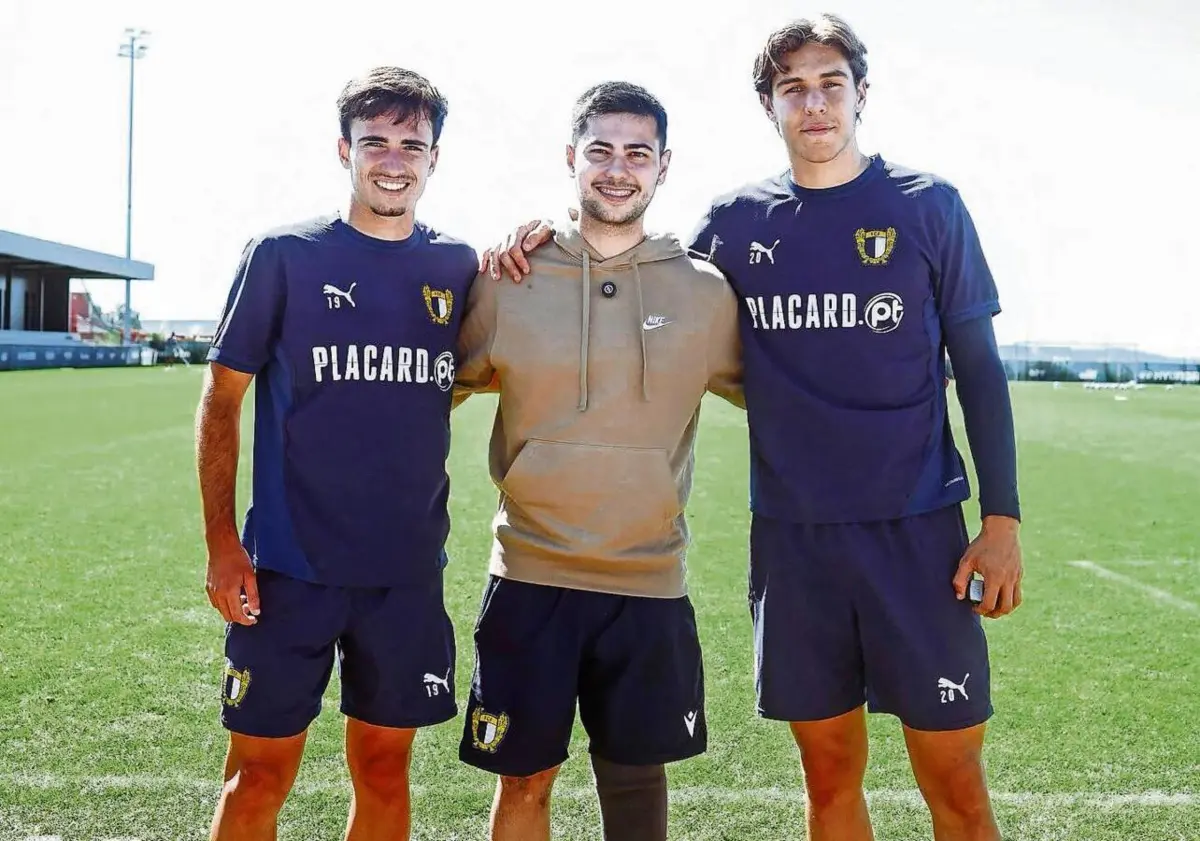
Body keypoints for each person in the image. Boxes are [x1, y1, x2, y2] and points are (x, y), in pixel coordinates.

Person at [481, 14, 1023, 841]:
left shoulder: (930, 206)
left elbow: (980, 371)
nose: (814, 105)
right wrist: (536, 236)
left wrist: (1003, 518)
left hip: (918, 532)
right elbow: (635, 267)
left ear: (861, 95)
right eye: (792, 89)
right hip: (794, 543)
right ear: (768, 105)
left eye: (830, 85)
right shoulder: (736, 224)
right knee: (829, 779)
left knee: (956, 781)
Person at [454, 81, 743, 841]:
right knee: (524, 778)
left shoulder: (709, 294)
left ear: (664, 166)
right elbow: (426, 391)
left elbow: (792, 396)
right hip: (530, 574)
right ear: (571, 159)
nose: (619, 169)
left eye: (638, 154)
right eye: (602, 151)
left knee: (637, 780)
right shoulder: (505, 278)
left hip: (648, 580)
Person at [195, 67, 477, 841]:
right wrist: (223, 542)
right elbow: (222, 398)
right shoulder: (284, 254)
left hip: (406, 574)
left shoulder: (459, 267)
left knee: (384, 772)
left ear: (434, 158)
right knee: (258, 775)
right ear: (343, 149)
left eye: (411, 143)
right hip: (288, 569)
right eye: (376, 141)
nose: (394, 159)